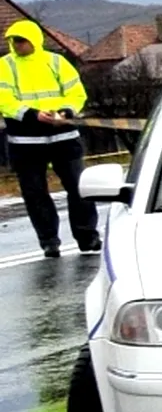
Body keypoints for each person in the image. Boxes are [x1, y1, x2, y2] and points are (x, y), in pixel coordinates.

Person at [0, 21, 100, 258]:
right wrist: (32, 114)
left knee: (79, 189)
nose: (17, 44)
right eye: (13, 40)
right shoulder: (5, 66)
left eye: (22, 40)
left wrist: (66, 111)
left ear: (34, 40)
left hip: (63, 135)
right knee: (35, 193)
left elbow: (77, 93)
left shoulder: (56, 62)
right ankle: (49, 241)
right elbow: (4, 98)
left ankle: (88, 237)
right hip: (26, 141)